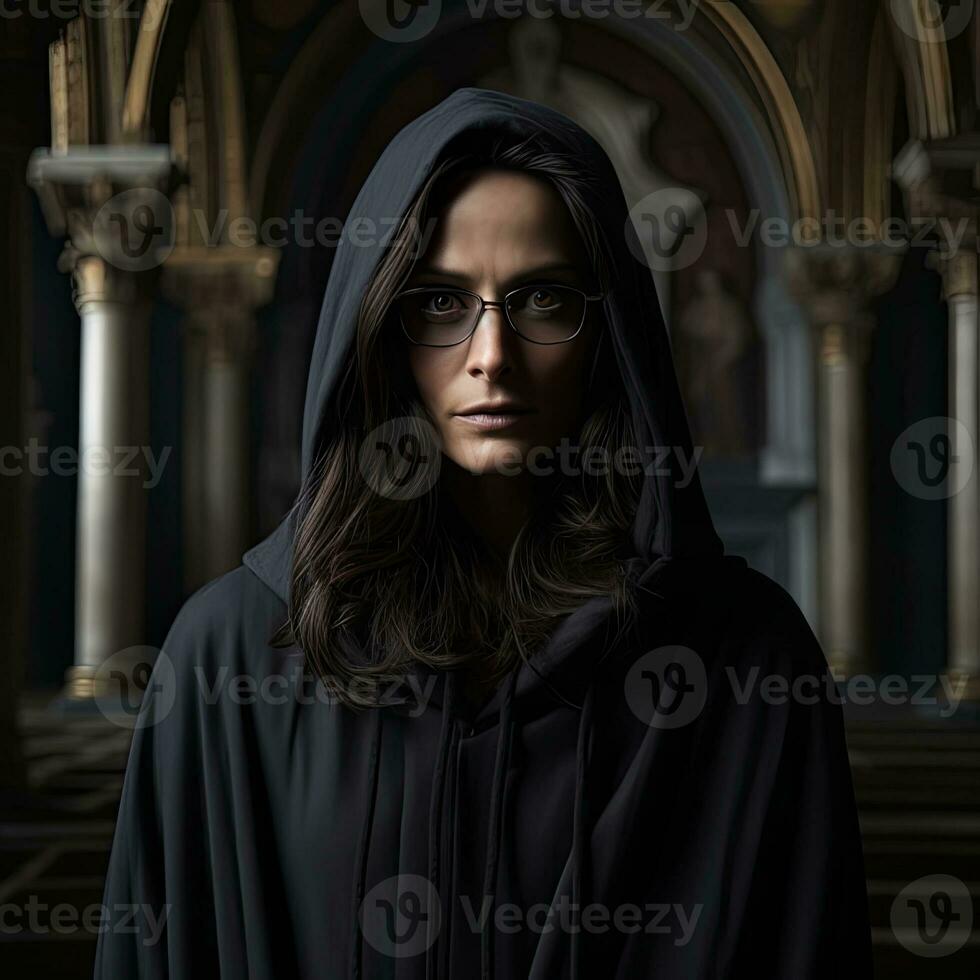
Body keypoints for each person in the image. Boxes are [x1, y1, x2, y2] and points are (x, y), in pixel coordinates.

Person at [94, 87, 872, 979]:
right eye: (438, 303)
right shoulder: (223, 657)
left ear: (608, 329)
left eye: (542, 300)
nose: (491, 354)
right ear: (377, 330)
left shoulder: (751, 662)